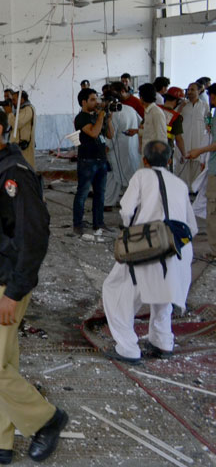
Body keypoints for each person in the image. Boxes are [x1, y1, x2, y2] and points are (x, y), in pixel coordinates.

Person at [0, 101, 66, 465]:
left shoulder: (15, 174)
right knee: (1, 362)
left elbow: (34, 239)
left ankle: (46, 420)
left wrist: (14, 293)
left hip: (6, 284)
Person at [102, 140, 197, 363]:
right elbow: (191, 226)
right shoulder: (180, 184)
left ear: (144, 160)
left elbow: (126, 211)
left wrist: (131, 229)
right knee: (164, 292)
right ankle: (162, 342)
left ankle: (127, 348)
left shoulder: (141, 176)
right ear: (170, 160)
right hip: (177, 248)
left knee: (117, 290)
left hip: (147, 245)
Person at [73, 88, 114, 235]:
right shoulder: (81, 118)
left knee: (100, 194)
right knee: (83, 193)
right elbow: (93, 132)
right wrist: (101, 116)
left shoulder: (97, 116)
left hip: (101, 159)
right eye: (92, 99)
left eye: (97, 99)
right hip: (87, 160)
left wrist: (108, 119)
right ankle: (77, 224)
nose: (96, 102)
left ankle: (99, 223)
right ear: (84, 102)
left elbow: (110, 134)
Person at [186, 83, 216, 260]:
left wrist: (200, 152)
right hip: (205, 159)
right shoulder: (187, 107)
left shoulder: (207, 108)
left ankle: (214, 251)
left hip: (210, 162)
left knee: (212, 210)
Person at [104, 84, 142, 209]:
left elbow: (111, 136)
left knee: (118, 177)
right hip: (132, 148)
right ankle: (111, 201)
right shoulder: (130, 109)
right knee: (121, 176)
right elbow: (140, 123)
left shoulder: (113, 114)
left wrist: (105, 150)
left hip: (118, 150)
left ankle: (126, 204)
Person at [178, 82, 210, 190]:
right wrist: (180, 107)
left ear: (199, 91)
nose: (190, 92)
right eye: (188, 89)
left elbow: (208, 121)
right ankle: (184, 189)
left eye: (192, 89)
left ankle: (195, 190)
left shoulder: (204, 105)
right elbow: (174, 118)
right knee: (184, 165)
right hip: (184, 139)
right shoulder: (183, 105)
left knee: (197, 165)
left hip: (198, 140)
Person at [158, 87, 186, 174]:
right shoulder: (176, 117)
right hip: (165, 149)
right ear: (177, 101)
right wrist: (184, 154)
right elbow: (179, 139)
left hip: (149, 146)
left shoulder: (155, 109)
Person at [11, 91, 37, 168]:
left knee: (25, 169)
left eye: (14, 100)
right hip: (18, 146)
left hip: (24, 146)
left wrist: (9, 113)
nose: (12, 102)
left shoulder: (27, 109)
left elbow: (16, 124)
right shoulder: (20, 110)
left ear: (21, 99)